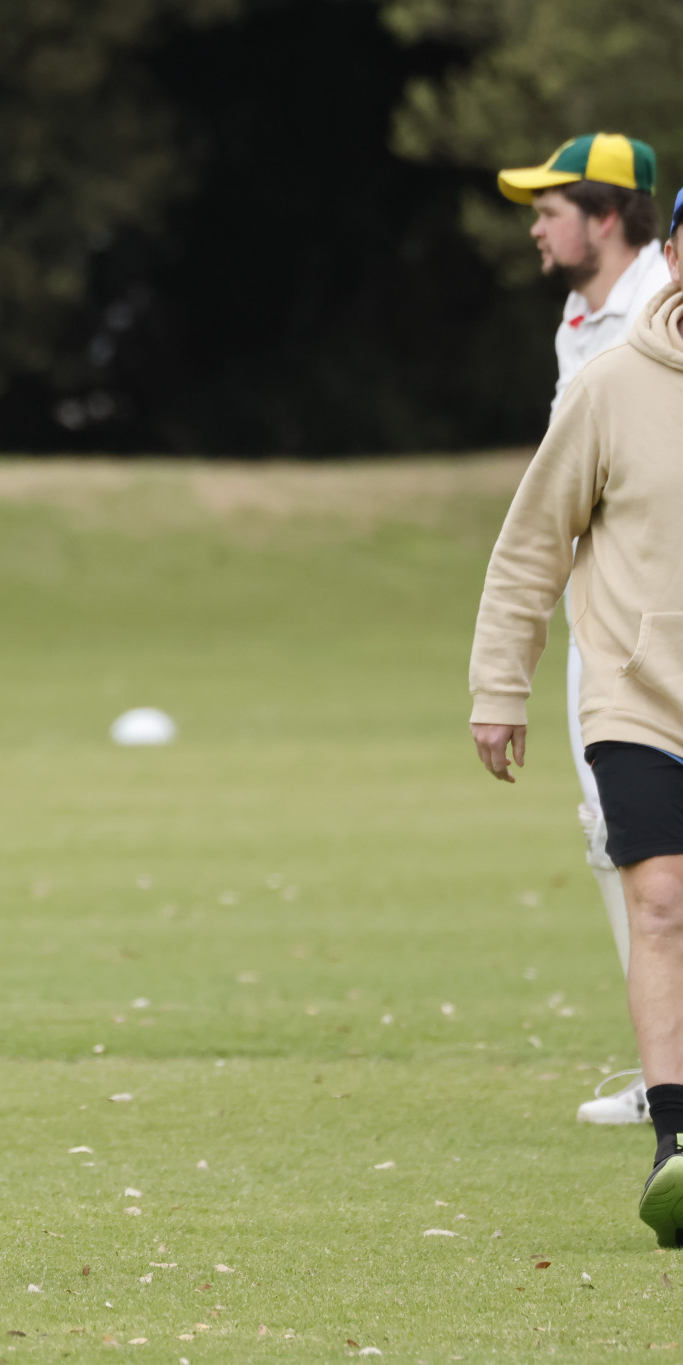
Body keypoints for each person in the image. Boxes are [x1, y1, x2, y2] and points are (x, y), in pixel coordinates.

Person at [470, 187, 683, 1246]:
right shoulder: (607, 387)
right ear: (673, 254)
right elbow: (527, 547)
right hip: (638, 698)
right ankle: (675, 1145)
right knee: (657, 903)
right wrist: (497, 688)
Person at [496, 132, 667, 1125]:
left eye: (550, 207)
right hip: (592, 610)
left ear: (603, 216)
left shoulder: (654, 312)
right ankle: (662, 1074)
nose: (535, 225)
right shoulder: (579, 316)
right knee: (612, 834)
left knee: (648, 840)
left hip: (648, 615)